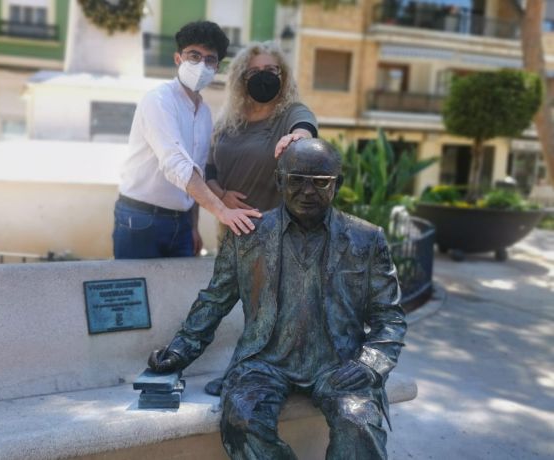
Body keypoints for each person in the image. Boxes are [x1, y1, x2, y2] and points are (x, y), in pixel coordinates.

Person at [147, 139, 407, 459]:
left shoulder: (367, 239)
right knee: (242, 417)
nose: (308, 191)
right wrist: (179, 351)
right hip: (265, 364)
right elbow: (215, 300)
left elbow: (389, 317)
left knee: (358, 422)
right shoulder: (248, 235)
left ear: (337, 183)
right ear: (279, 180)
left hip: (339, 362)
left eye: (320, 182)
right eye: (297, 179)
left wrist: (371, 363)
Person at [114, 21, 261, 260]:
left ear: (216, 67)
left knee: (178, 296)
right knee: (136, 295)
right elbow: (177, 165)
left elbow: (197, 171)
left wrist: (193, 226)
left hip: (181, 224)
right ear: (177, 59)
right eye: (194, 55)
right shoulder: (159, 101)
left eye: (209, 59)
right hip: (140, 220)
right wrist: (222, 211)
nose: (201, 65)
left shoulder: (204, 113)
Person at [206, 41, 318, 214]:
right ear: (241, 79)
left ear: (284, 75)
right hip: (229, 228)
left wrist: (298, 140)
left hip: (273, 231)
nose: (263, 76)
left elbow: (304, 127)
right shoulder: (227, 120)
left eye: (271, 70)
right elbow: (209, 171)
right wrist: (221, 196)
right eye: (254, 72)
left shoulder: (292, 112)